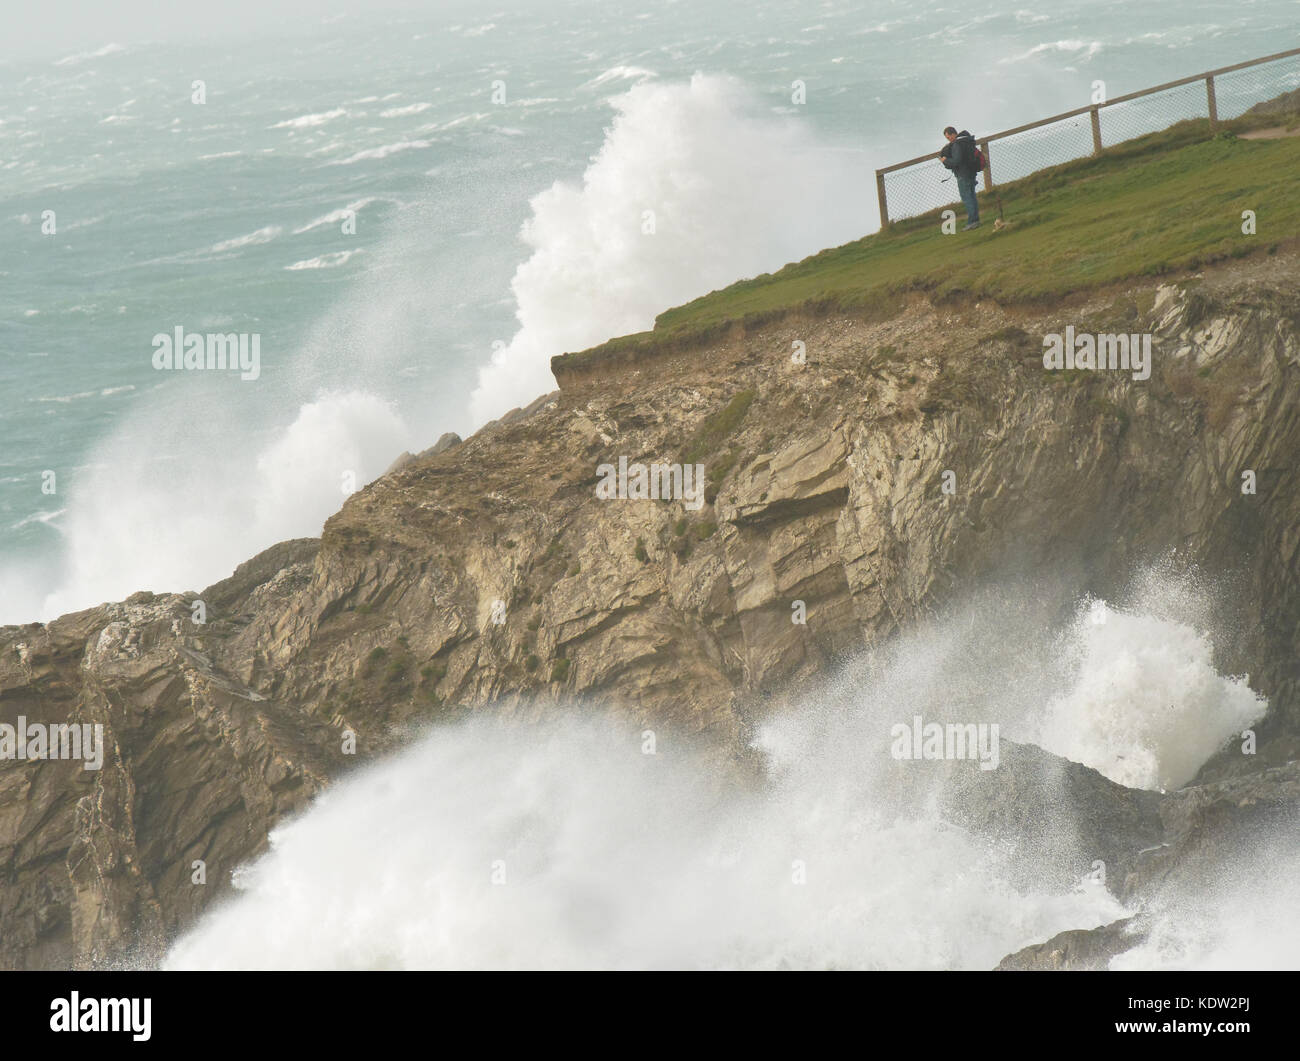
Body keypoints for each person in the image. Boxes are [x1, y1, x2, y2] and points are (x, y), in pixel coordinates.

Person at [939, 126, 981, 230]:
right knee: (972, 196)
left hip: (963, 174)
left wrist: (945, 161)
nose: (949, 140)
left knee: (967, 198)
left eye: (949, 137)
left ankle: (972, 222)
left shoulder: (957, 145)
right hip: (971, 172)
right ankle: (976, 220)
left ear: (953, 134)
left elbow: (956, 161)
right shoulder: (966, 140)